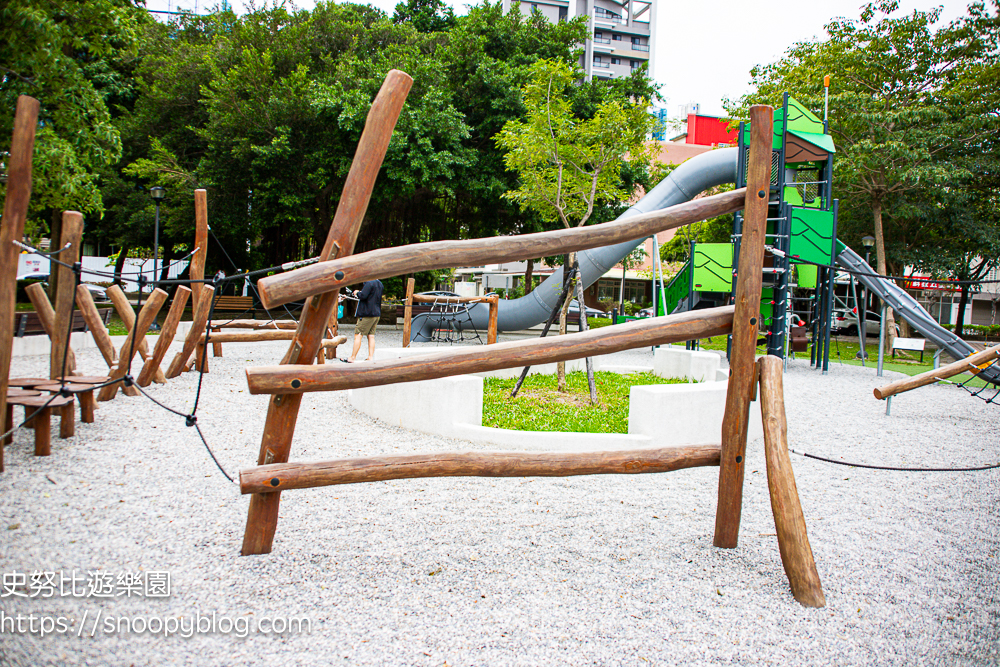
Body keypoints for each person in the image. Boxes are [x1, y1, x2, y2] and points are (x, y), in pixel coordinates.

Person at [347, 279, 383, 362]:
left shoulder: (369, 283)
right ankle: (370, 357)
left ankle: (353, 357)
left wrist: (356, 293)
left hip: (367, 314)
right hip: (376, 313)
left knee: (358, 335)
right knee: (371, 335)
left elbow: (363, 295)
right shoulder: (379, 283)